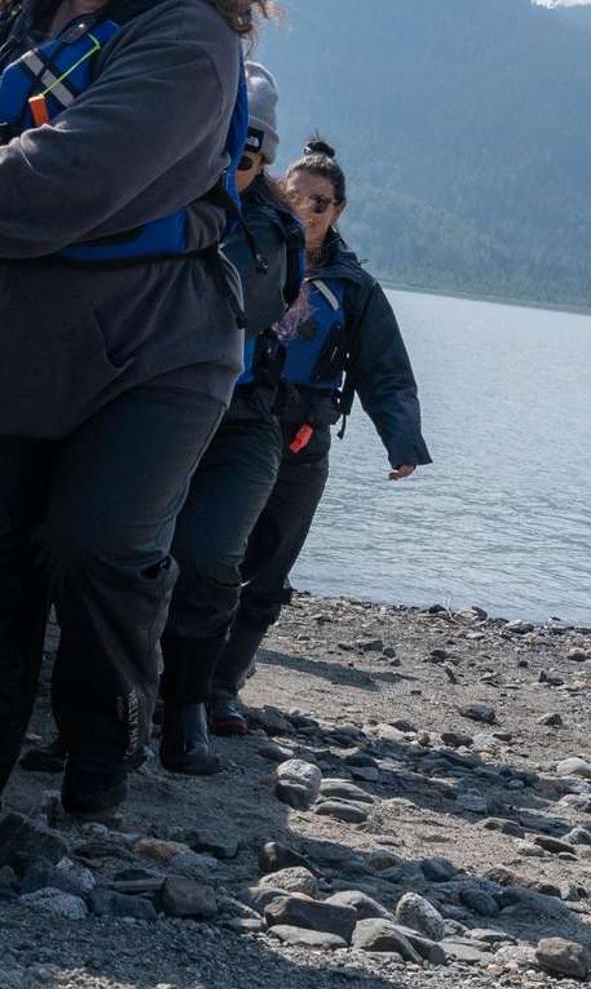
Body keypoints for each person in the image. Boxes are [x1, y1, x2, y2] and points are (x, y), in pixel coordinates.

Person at [0, 0, 273, 865]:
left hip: (159, 345)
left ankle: (105, 742)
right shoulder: (19, 29)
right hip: (15, 336)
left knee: (97, 547)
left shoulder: (189, 40)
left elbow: (73, 169)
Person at [206, 136, 433, 711]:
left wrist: (401, 441)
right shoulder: (245, 249)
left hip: (301, 436)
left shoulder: (355, 290)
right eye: (295, 196)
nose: (306, 210)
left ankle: (223, 686)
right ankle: (176, 677)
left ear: (339, 211)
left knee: (270, 563)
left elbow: (385, 371)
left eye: (320, 203)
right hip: (226, 420)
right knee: (205, 550)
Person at [154, 60, 307, 767]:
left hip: (241, 420)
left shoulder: (272, 231)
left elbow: (243, 301)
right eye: (223, 143)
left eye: (249, 150)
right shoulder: (147, 188)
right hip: (146, 403)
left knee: (211, 555)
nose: (235, 162)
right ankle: (108, 701)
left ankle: (187, 701)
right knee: (117, 554)